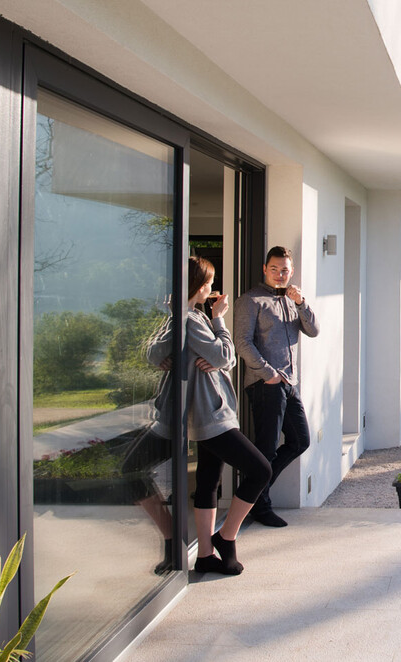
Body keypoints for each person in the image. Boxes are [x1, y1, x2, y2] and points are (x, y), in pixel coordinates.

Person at [148, 256, 272, 575]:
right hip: (212, 415)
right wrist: (219, 321)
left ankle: (205, 555)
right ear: (199, 286)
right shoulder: (193, 319)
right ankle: (225, 538)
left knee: (207, 481)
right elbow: (225, 355)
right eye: (209, 283)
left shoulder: (186, 317)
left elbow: (157, 354)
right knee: (260, 470)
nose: (212, 289)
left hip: (207, 412)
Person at [234, 246, 319, 527]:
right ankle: (259, 505)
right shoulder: (250, 300)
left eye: (285, 270)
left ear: (291, 271)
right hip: (265, 383)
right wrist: (269, 374)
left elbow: (313, 330)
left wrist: (301, 303)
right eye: (274, 269)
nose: (280, 274)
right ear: (264, 269)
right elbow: (242, 343)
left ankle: (256, 496)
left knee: (300, 441)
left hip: (289, 384)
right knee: (266, 449)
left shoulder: (291, 300)